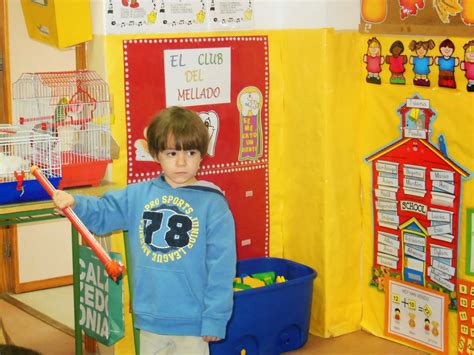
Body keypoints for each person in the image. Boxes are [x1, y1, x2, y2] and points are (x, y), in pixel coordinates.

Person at [53, 106, 237, 354]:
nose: (181, 162)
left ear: (202, 155)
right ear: (156, 154)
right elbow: (103, 213)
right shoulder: (137, 195)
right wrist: (75, 203)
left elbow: (222, 266)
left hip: (193, 321)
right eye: (172, 153)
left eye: (190, 152)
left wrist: (215, 317)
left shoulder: (212, 202)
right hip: (150, 316)